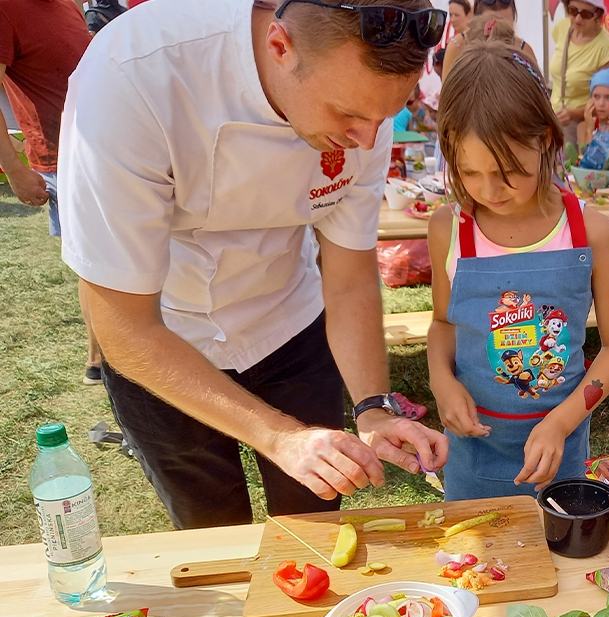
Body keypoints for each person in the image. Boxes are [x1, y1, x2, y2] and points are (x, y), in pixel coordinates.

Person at [58, 0, 450, 529]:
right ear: (279, 46)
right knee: (209, 527)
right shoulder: (131, 76)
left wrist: (373, 407)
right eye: (348, 114)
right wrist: (278, 436)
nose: (367, 139)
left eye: (387, 114)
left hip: (290, 321)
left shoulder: (367, 115)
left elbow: (350, 278)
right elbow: (123, 326)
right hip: (168, 341)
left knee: (315, 518)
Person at [427, 41, 609, 500]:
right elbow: (443, 323)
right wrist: (442, 383)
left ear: (544, 138)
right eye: (469, 172)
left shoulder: (590, 231)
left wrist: (561, 422)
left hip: (560, 446)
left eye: (508, 171)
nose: (489, 190)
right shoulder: (449, 229)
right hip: (474, 450)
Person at [1, 0, 102, 385]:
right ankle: (100, 361)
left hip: (103, 149)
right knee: (97, 266)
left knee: (120, 258)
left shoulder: (68, 6)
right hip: (62, 159)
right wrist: (15, 169)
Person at [549, 0, 609, 146]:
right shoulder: (562, 27)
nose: (578, 18)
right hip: (552, 118)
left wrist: (573, 114)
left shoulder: (605, 46)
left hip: (579, 127)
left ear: (598, 15)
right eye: (573, 11)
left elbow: (608, 99)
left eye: (585, 14)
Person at [442, 0, 537, 76]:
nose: (498, 33)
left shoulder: (523, 50)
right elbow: (447, 97)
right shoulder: (457, 46)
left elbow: (537, 96)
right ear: (477, 21)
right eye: (491, 26)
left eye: (505, 27)